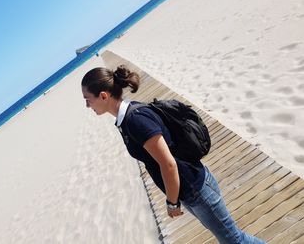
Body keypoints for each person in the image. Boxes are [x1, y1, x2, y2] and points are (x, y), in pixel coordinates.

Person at [81, 65, 266, 244]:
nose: (87, 105)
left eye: (88, 99)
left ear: (103, 95)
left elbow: (168, 164)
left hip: (195, 188)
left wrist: (172, 202)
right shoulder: (126, 119)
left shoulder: (135, 120)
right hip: (191, 190)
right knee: (233, 238)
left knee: (235, 240)